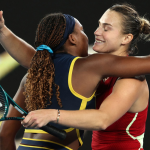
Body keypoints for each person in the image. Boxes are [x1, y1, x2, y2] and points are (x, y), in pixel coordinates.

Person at [0, 5, 150, 150]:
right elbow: (35, 60)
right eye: (98, 25)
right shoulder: (90, 68)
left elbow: (102, 119)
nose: (96, 32)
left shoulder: (130, 79)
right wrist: (3, 31)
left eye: (106, 28)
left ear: (126, 38)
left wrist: (52, 114)